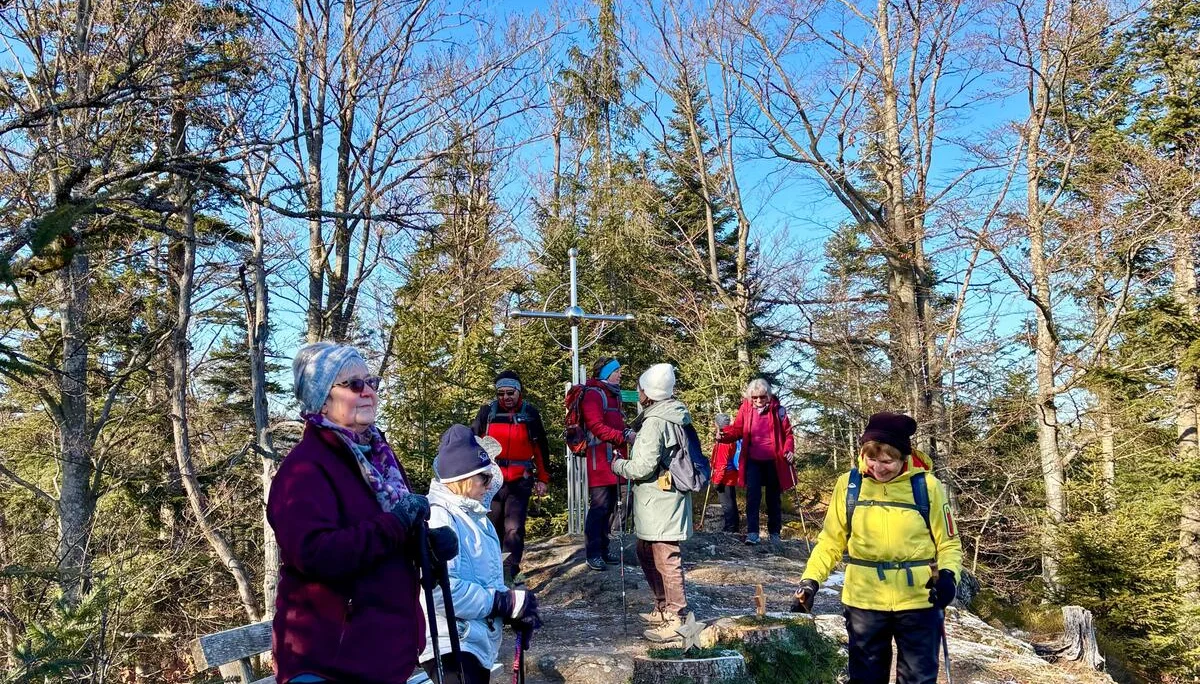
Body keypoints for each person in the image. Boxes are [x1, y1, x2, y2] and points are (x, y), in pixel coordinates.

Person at [268, 342, 456, 684]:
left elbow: (384, 540)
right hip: (329, 662)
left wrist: (424, 546)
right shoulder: (305, 469)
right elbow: (315, 555)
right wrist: (396, 524)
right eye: (354, 385)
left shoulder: (379, 458)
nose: (368, 391)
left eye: (372, 382)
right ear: (323, 400)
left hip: (382, 655)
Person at [792, 412, 962, 684]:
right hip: (864, 600)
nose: (878, 468)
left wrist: (949, 577)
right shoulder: (849, 485)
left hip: (919, 600)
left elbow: (949, 543)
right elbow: (831, 541)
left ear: (903, 457)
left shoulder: (927, 486)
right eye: (872, 459)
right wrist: (810, 581)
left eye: (887, 461)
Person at [420, 424, 541, 684]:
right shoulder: (439, 516)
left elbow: (486, 581)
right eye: (484, 478)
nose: (490, 485)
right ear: (462, 479)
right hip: (450, 643)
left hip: (473, 641)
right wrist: (500, 602)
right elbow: (440, 592)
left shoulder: (476, 517)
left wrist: (514, 610)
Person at [610, 363, 694, 643]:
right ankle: (662, 606)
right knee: (646, 550)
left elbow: (642, 467)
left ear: (647, 392)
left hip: (660, 501)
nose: (638, 392)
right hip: (662, 499)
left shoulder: (656, 421)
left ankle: (676, 617)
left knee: (665, 556)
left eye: (640, 388)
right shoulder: (672, 414)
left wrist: (618, 464)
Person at [471, 370, 550, 583]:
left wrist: (543, 478)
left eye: (510, 393)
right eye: (501, 393)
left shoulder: (530, 413)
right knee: (491, 527)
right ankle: (491, 571)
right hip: (491, 481)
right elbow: (472, 443)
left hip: (520, 480)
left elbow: (540, 448)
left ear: (518, 392)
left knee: (514, 528)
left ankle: (510, 571)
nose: (505, 397)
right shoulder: (487, 412)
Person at [717, 378, 796, 545]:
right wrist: (723, 435)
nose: (758, 400)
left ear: (768, 395)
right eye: (754, 397)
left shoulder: (778, 410)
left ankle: (774, 533)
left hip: (774, 460)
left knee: (773, 498)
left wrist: (789, 450)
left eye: (762, 397)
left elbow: (788, 434)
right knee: (753, 496)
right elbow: (737, 430)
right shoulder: (745, 409)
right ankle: (753, 533)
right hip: (753, 460)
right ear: (750, 397)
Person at [579, 356, 636, 571]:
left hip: (615, 459)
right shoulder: (594, 394)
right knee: (600, 507)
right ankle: (593, 553)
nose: (620, 374)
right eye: (616, 371)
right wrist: (624, 436)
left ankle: (603, 549)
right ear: (606, 373)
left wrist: (625, 432)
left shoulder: (612, 395)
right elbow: (595, 426)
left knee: (613, 506)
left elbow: (615, 424)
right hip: (600, 462)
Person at [709, 412, 741, 533]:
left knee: (727, 503)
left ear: (718, 424)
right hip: (731, 476)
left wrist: (716, 481)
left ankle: (730, 528)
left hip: (725, 477)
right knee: (731, 501)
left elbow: (721, 463)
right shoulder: (731, 436)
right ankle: (734, 527)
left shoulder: (724, 440)